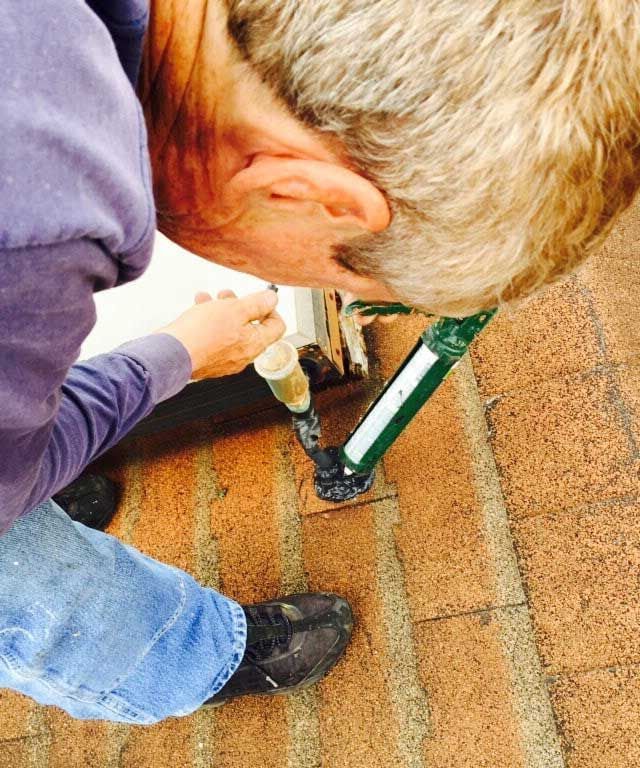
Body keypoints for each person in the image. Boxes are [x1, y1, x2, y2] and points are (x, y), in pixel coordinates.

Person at [1, 0, 639, 724]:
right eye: (347, 282)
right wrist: (176, 356)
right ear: (298, 193)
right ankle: (169, 659)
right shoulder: (37, 222)